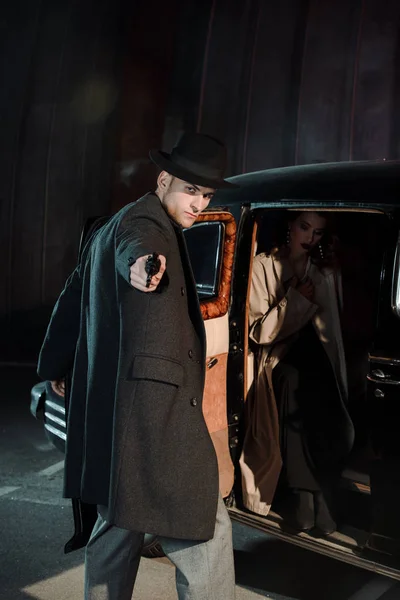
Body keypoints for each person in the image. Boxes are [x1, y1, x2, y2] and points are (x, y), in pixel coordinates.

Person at [37, 132, 238, 600]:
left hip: (117, 422)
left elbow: (72, 297)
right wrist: (144, 267)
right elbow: (139, 251)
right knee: (206, 532)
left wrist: (57, 364)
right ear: (163, 179)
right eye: (191, 190)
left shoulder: (109, 226)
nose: (199, 203)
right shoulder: (143, 226)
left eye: (207, 194)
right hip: (155, 420)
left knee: (117, 525)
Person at [239, 211, 355, 535]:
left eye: (318, 233)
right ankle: (307, 498)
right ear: (289, 225)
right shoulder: (263, 265)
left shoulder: (319, 271)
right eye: (305, 227)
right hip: (276, 359)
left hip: (313, 358)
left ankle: (320, 498)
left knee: (324, 398)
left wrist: (325, 282)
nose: (310, 238)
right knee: (295, 385)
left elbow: (332, 332)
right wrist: (294, 301)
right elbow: (259, 332)